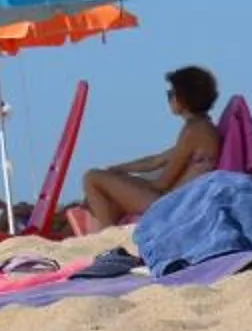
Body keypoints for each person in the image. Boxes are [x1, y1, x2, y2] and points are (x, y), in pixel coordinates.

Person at [79, 65, 224, 231]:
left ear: (184, 98)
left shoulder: (194, 131)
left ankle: (108, 237)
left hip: (169, 204)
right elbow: (156, 161)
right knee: (107, 189)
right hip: (174, 199)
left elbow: (162, 184)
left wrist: (125, 180)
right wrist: (119, 170)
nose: (169, 99)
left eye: (171, 94)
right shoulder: (202, 127)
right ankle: (107, 234)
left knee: (91, 177)